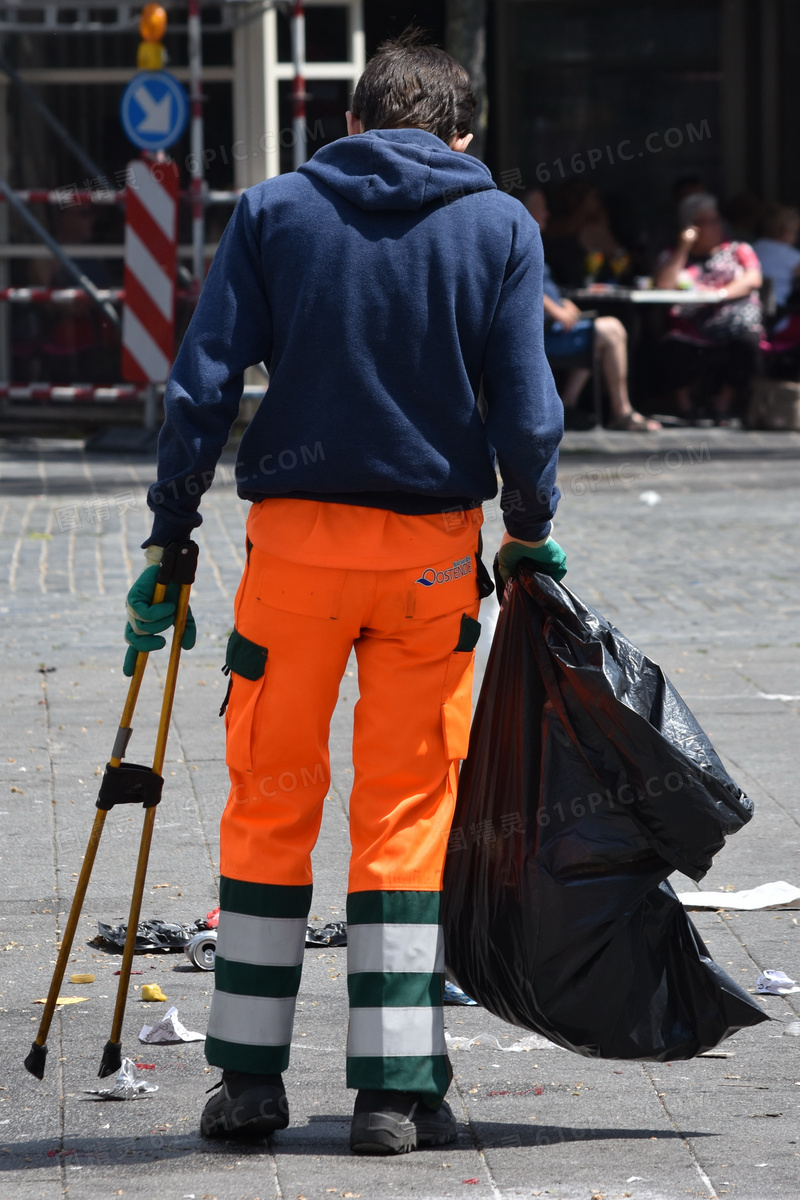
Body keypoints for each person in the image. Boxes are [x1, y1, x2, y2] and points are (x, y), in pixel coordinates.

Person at [123, 32, 565, 1156]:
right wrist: (526, 535)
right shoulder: (498, 224)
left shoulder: (276, 212)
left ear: (351, 124)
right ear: (462, 134)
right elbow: (526, 410)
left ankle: (249, 1085)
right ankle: (393, 1090)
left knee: (269, 799)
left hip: (293, 559)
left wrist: (170, 534)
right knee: (408, 812)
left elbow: (201, 386)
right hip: (429, 561)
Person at [524, 188, 660, 431]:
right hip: (540, 334)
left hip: (556, 327)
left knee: (600, 331)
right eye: (541, 207)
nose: (547, 212)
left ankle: (566, 405)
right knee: (612, 330)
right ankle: (621, 411)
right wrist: (555, 309)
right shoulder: (520, 238)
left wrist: (562, 303)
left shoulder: (534, 238)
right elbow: (518, 280)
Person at [655, 192, 763, 424]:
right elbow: (663, 285)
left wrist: (719, 294)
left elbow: (754, 279)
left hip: (731, 322)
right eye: (708, 221)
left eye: (717, 220)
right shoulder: (673, 255)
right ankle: (687, 408)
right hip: (690, 326)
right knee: (671, 346)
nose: (716, 226)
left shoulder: (737, 249)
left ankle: (721, 405)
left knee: (749, 343)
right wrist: (684, 247)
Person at [542, 179, 630, 287]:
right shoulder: (587, 230)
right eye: (595, 197)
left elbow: (622, 265)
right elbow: (623, 264)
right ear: (580, 201)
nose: (599, 203)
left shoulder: (552, 226)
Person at [753, 205, 800, 309]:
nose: (796, 237)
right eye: (795, 232)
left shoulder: (756, 246)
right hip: (776, 310)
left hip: (752, 306)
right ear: (785, 233)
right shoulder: (791, 255)